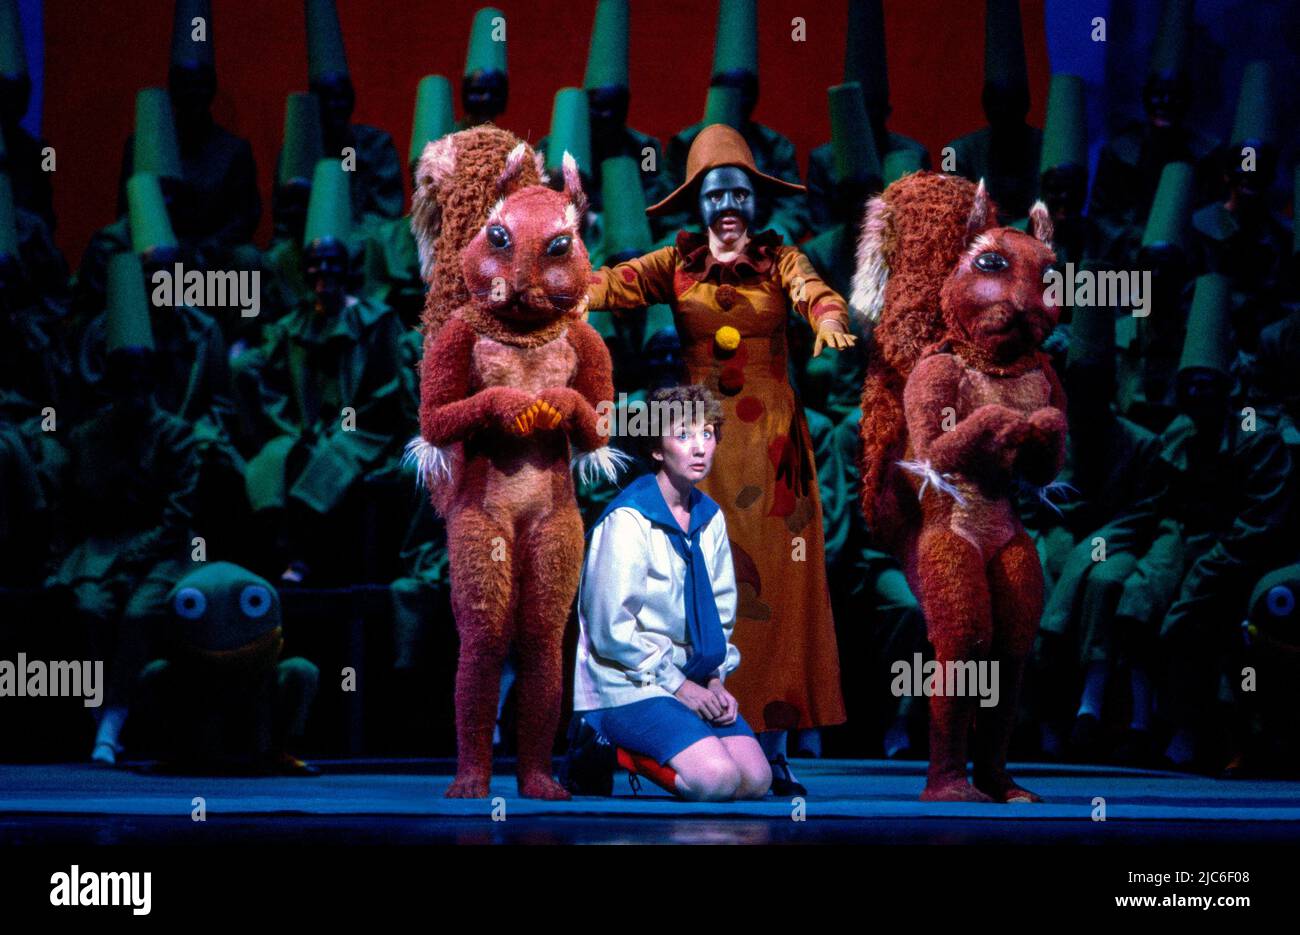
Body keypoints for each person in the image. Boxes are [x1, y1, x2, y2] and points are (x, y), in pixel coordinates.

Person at [586, 124, 856, 794]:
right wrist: (554, 285)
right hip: (696, 441)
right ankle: (686, 724)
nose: (728, 206)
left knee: (780, 597)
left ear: (755, 201)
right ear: (697, 205)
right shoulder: (673, 263)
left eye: (739, 192)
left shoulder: (779, 258)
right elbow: (608, 286)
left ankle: (775, 743)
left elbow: (815, 290)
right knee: (702, 589)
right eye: (715, 196)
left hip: (772, 454)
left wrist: (824, 317)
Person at [574, 385, 770, 801]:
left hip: (691, 679)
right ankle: (606, 747)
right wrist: (680, 687)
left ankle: (682, 732)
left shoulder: (709, 517)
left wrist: (715, 681)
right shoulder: (629, 520)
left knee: (755, 781)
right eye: (683, 436)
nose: (699, 447)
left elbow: (720, 615)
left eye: (707, 434)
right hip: (630, 682)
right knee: (715, 781)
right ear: (658, 450)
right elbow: (610, 630)